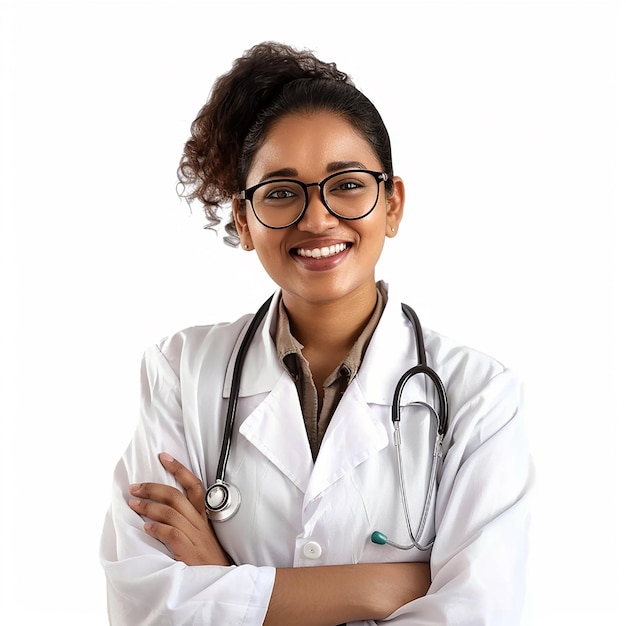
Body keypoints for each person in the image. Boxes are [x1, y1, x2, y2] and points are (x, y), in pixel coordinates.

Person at [100, 41, 533, 625]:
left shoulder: (479, 395)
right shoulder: (182, 371)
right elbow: (145, 606)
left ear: (392, 204)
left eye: (347, 184)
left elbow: (479, 613)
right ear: (244, 221)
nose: (317, 217)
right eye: (280, 193)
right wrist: (387, 588)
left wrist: (226, 583)